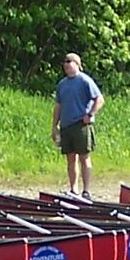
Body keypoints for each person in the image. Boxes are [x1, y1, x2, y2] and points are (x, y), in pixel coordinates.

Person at [50, 52, 104, 198]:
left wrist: (90, 114)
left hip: (81, 124)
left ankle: (86, 190)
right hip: (66, 126)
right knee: (70, 159)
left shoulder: (85, 80)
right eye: (65, 62)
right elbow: (58, 106)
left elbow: (99, 99)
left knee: (84, 157)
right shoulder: (62, 84)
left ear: (77, 63)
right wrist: (55, 126)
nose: (66, 65)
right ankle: (74, 189)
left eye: (69, 61)